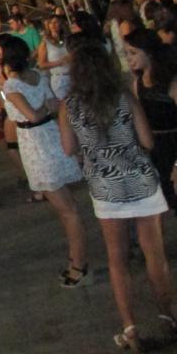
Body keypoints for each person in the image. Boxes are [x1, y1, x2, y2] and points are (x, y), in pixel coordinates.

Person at [58, 39, 175, 351]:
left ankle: (130, 327)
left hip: (106, 188)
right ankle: (168, 316)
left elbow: (68, 148)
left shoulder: (69, 106)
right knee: (155, 254)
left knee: (117, 259)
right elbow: (147, 141)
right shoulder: (124, 96)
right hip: (141, 181)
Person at [0, 39, 87, 285]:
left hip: (37, 146)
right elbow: (53, 104)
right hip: (50, 136)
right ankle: (75, 260)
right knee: (67, 208)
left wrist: (41, 109)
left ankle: (79, 265)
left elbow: (33, 114)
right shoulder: (37, 76)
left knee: (67, 210)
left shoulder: (11, 85)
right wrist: (46, 108)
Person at [124, 27, 177, 210]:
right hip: (156, 149)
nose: (128, 58)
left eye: (133, 53)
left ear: (149, 53)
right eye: (126, 53)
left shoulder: (171, 82)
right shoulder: (138, 83)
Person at [37, 14, 71, 100]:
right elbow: (41, 64)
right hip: (59, 79)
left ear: (61, 24)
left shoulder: (67, 39)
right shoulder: (45, 42)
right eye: (50, 23)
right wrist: (59, 62)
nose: (53, 25)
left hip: (72, 75)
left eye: (56, 22)